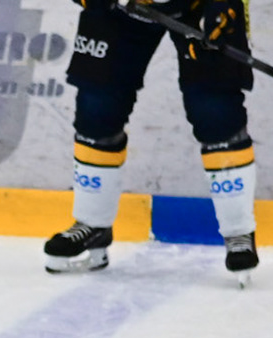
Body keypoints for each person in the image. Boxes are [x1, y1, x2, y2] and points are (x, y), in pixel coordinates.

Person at [42, 0, 258, 278]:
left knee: (216, 109)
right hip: (120, 7)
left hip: (198, 5)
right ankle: (92, 223)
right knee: (97, 106)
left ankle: (239, 231)